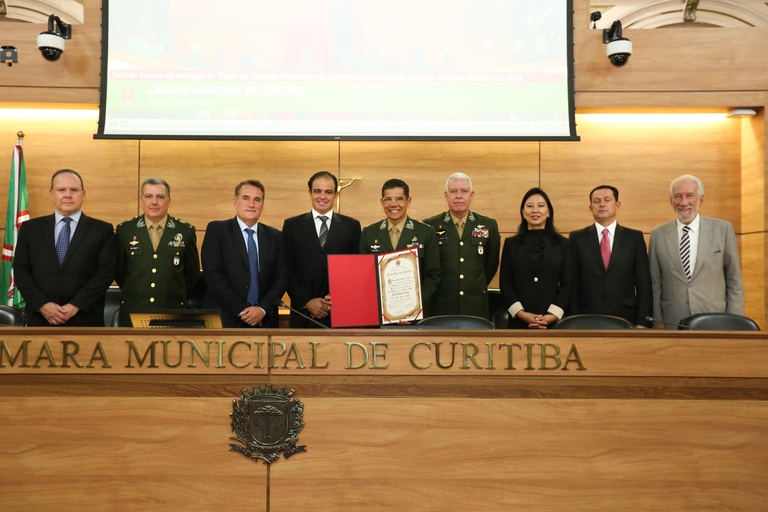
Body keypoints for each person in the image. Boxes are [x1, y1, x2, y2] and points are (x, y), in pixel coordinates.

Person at [13, 169, 116, 327]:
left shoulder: (102, 230)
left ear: (83, 194)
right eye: (61, 190)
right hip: (40, 320)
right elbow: (21, 270)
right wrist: (43, 305)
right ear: (51, 193)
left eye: (74, 190)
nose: (68, 195)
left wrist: (75, 306)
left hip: (85, 321)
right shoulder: (30, 229)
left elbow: (105, 273)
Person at [648, 174, 744, 328]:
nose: (683, 202)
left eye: (690, 196)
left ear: (701, 199)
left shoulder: (723, 230)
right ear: (671, 201)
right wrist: (657, 321)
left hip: (716, 320)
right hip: (671, 321)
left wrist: (735, 320)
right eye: (678, 196)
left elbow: (734, 281)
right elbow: (654, 283)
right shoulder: (658, 234)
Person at [201, 180, 287, 328]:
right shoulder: (217, 231)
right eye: (245, 198)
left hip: (264, 320)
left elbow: (282, 278)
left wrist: (262, 309)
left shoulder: (275, 236)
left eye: (257, 200)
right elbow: (213, 275)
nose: (251, 204)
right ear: (235, 203)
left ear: (262, 206)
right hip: (225, 319)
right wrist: (242, 311)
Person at [114, 177, 200, 326]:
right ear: (141, 200)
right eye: (148, 196)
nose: (154, 202)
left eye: (160, 197)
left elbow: (192, 275)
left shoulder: (185, 231)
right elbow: (119, 272)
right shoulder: (125, 230)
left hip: (173, 313)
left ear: (169, 201)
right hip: (133, 312)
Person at [282, 171, 361, 328]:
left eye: (328, 192)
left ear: (336, 195)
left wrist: (332, 302)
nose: (322, 196)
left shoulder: (351, 227)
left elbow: (355, 271)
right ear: (310, 193)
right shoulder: (292, 226)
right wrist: (308, 301)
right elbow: (286, 270)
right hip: (303, 314)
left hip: (341, 315)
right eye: (317, 191)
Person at [569, 185, 652, 327]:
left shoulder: (634, 238)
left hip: (626, 317)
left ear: (617, 205)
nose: (602, 204)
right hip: (587, 316)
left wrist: (642, 321)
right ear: (590, 208)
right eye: (597, 201)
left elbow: (644, 283)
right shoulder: (577, 238)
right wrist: (573, 319)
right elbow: (572, 282)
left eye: (607, 200)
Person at [423, 172, 500, 319]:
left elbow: (491, 265)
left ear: (471, 195)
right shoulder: (430, 226)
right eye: (453, 191)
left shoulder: (488, 225)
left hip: (475, 306)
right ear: (446, 195)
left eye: (464, 191)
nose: (459, 196)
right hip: (441, 306)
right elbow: (427, 267)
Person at [359, 178, 440, 316]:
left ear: (408, 201)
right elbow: (364, 276)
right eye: (388, 199)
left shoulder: (425, 232)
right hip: (380, 314)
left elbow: (433, 276)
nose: (393, 204)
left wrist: (412, 308)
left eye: (399, 199)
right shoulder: (369, 233)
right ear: (381, 202)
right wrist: (384, 308)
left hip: (416, 315)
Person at [499, 187, 572, 329]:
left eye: (541, 206)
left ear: (549, 211)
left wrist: (552, 315)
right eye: (529, 206)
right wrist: (521, 314)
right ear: (523, 211)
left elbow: (567, 285)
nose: (535, 210)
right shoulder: (511, 244)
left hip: (553, 322)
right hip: (518, 321)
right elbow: (506, 284)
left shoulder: (563, 244)